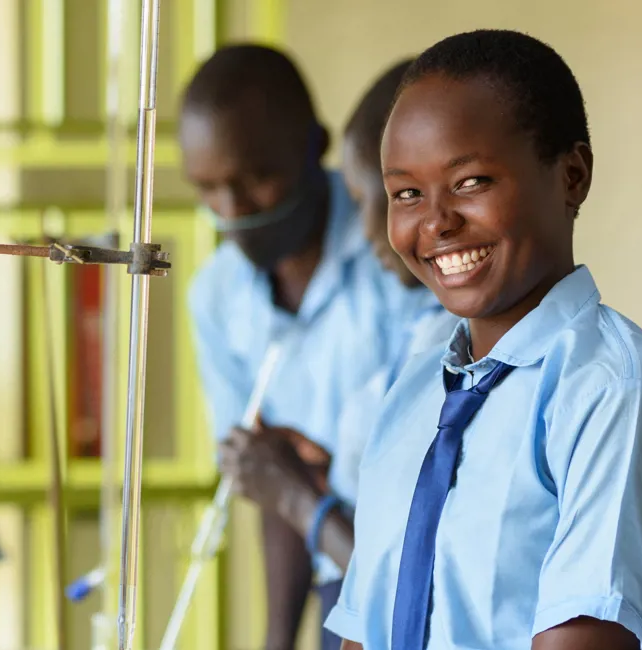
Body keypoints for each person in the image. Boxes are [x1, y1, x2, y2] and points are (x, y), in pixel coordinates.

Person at [324, 31, 642, 650]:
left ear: (572, 175)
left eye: (471, 182)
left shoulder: (614, 398)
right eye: (406, 193)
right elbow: (365, 629)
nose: (435, 222)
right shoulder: (413, 396)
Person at [180, 44, 415, 650]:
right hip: (340, 567)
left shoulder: (399, 256)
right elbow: (273, 482)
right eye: (208, 189)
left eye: (255, 179)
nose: (233, 213)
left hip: (410, 577)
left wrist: (295, 490)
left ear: (315, 146)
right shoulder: (217, 297)